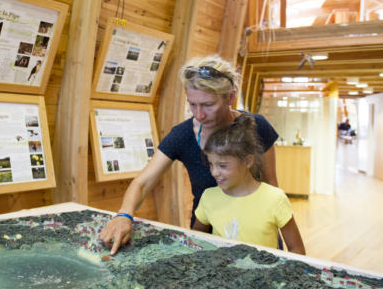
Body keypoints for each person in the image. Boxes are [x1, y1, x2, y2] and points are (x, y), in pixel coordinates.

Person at [99, 55, 280, 254]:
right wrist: (124, 214)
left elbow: (271, 185)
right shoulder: (182, 135)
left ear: (230, 97)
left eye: (208, 105)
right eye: (192, 104)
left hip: (256, 234)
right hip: (206, 236)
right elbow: (142, 183)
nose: (199, 114)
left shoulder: (258, 126)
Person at [192, 114, 305, 254]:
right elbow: (195, 239)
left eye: (222, 165)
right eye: (211, 164)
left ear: (248, 161)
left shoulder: (275, 199)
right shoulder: (208, 197)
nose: (214, 172)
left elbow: (296, 248)